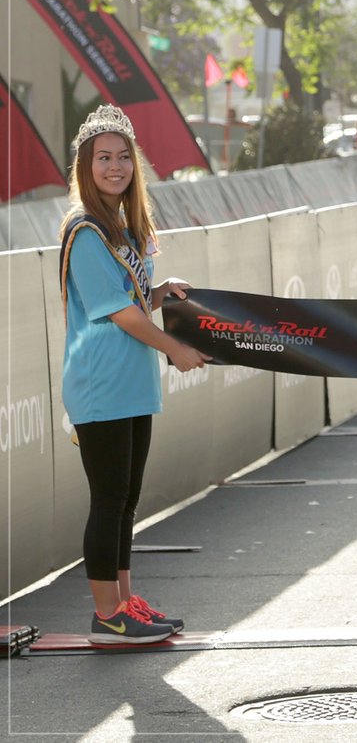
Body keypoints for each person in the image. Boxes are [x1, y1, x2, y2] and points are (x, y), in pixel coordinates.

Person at [58, 104, 211, 644]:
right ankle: (106, 616)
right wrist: (176, 348)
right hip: (102, 383)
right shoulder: (86, 232)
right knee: (108, 498)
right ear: (85, 165)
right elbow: (118, 314)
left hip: (130, 382)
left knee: (125, 500)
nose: (116, 166)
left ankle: (126, 605)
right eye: (104, 158)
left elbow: (132, 299)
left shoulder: (120, 227)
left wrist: (160, 291)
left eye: (124, 157)